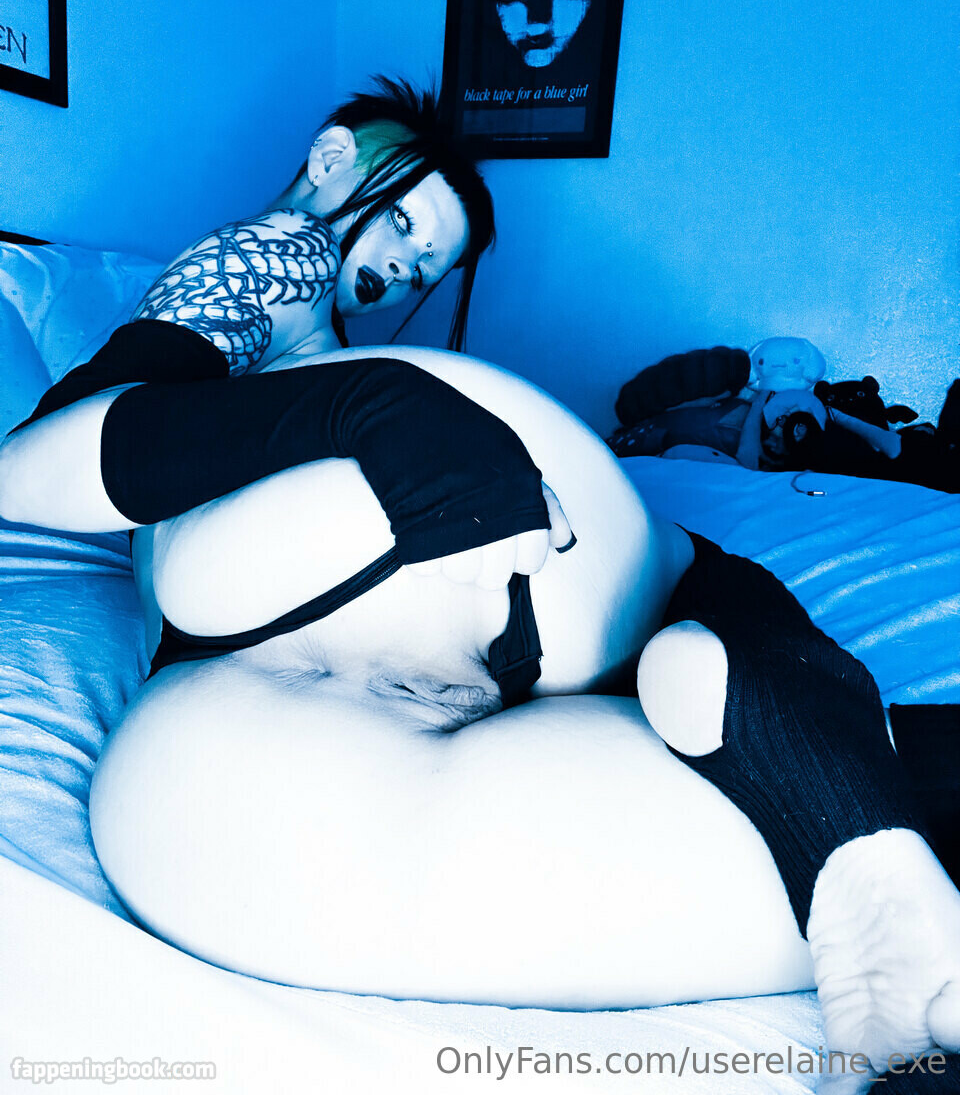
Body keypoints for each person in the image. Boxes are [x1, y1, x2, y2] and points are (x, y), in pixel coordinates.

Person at [2, 85, 960, 1086]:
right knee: (707, 576)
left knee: (701, 581)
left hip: (377, 598)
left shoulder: (305, 310)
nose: (405, 269)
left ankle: (760, 696)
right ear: (332, 158)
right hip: (486, 582)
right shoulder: (272, 253)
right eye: (405, 224)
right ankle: (774, 706)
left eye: (426, 265)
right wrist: (375, 402)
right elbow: (39, 456)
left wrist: (375, 405)